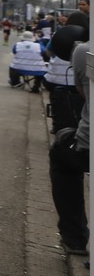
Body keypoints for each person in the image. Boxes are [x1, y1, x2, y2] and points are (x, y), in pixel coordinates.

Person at [50, 36, 90, 256]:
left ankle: (75, 239)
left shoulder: (84, 51)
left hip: (88, 146)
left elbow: (83, 93)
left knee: (61, 152)